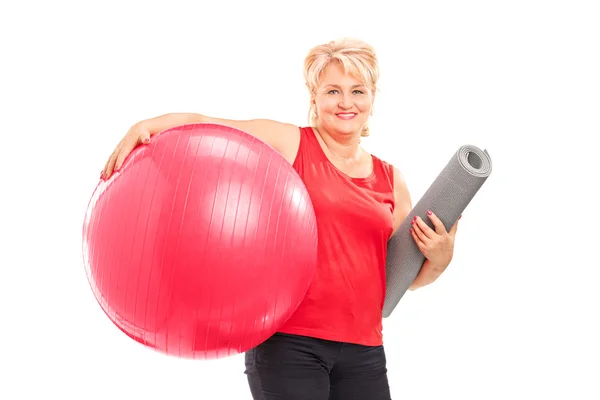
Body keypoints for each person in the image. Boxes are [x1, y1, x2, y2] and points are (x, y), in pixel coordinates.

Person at [101, 37, 459, 400]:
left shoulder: (391, 180)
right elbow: (211, 124)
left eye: (357, 91)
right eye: (333, 90)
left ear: (372, 99)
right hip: (290, 345)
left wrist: (441, 259)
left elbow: (401, 279)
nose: (346, 102)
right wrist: (147, 124)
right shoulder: (293, 143)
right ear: (314, 98)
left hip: (364, 350)